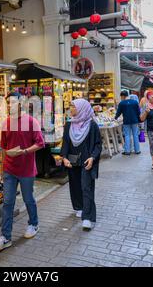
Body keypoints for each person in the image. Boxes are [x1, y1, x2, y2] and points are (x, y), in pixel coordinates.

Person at [0, 92, 45, 252]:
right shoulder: (5, 123)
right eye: (7, 103)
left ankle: (33, 224)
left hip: (26, 169)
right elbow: (4, 147)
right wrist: (2, 169)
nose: (9, 105)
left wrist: (25, 152)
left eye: (13, 102)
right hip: (9, 168)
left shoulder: (31, 121)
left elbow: (40, 143)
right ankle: (5, 237)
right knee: (7, 203)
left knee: (28, 199)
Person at [60, 99, 102, 231]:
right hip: (72, 160)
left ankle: (88, 217)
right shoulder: (69, 125)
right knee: (75, 185)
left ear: (81, 108)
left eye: (73, 107)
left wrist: (93, 157)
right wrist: (64, 157)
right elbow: (66, 142)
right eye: (70, 106)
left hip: (86, 161)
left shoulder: (92, 125)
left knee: (86, 187)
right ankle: (79, 207)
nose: (70, 109)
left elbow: (98, 145)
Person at [115, 90, 141, 155]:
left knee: (127, 135)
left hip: (126, 121)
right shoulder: (135, 102)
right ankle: (137, 150)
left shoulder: (122, 103)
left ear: (123, 96)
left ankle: (127, 151)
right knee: (135, 135)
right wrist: (139, 119)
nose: (121, 98)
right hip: (135, 121)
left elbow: (118, 112)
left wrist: (115, 118)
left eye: (121, 97)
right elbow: (138, 112)